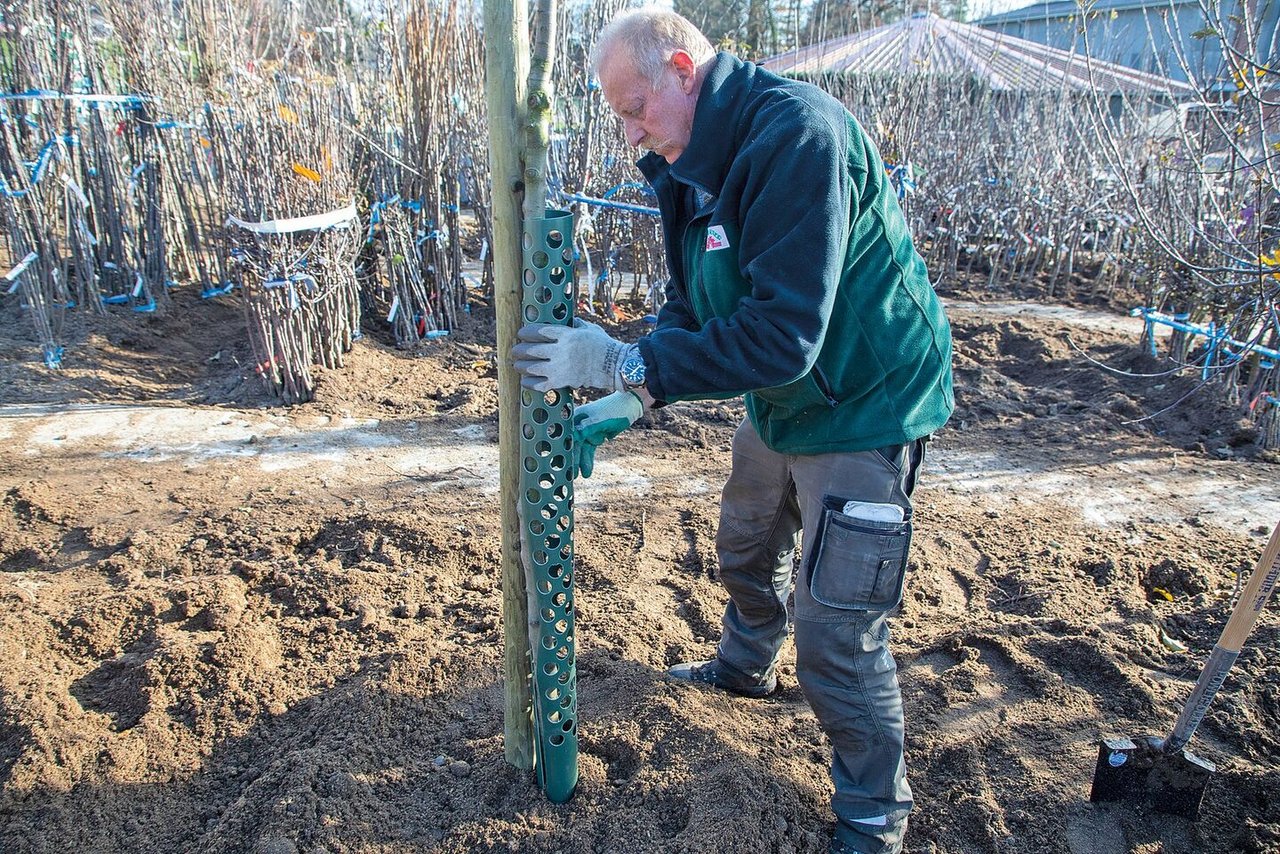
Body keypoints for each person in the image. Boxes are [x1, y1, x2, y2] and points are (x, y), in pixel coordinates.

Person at [512, 8, 953, 854]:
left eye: (636, 107)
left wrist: (622, 366)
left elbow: (785, 335)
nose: (630, 131)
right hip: (782, 396)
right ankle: (745, 663)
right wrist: (639, 391)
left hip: (865, 400)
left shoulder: (798, 140)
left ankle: (872, 817)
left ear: (683, 68)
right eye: (620, 117)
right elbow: (695, 303)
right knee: (746, 543)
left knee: (838, 632)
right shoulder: (686, 160)